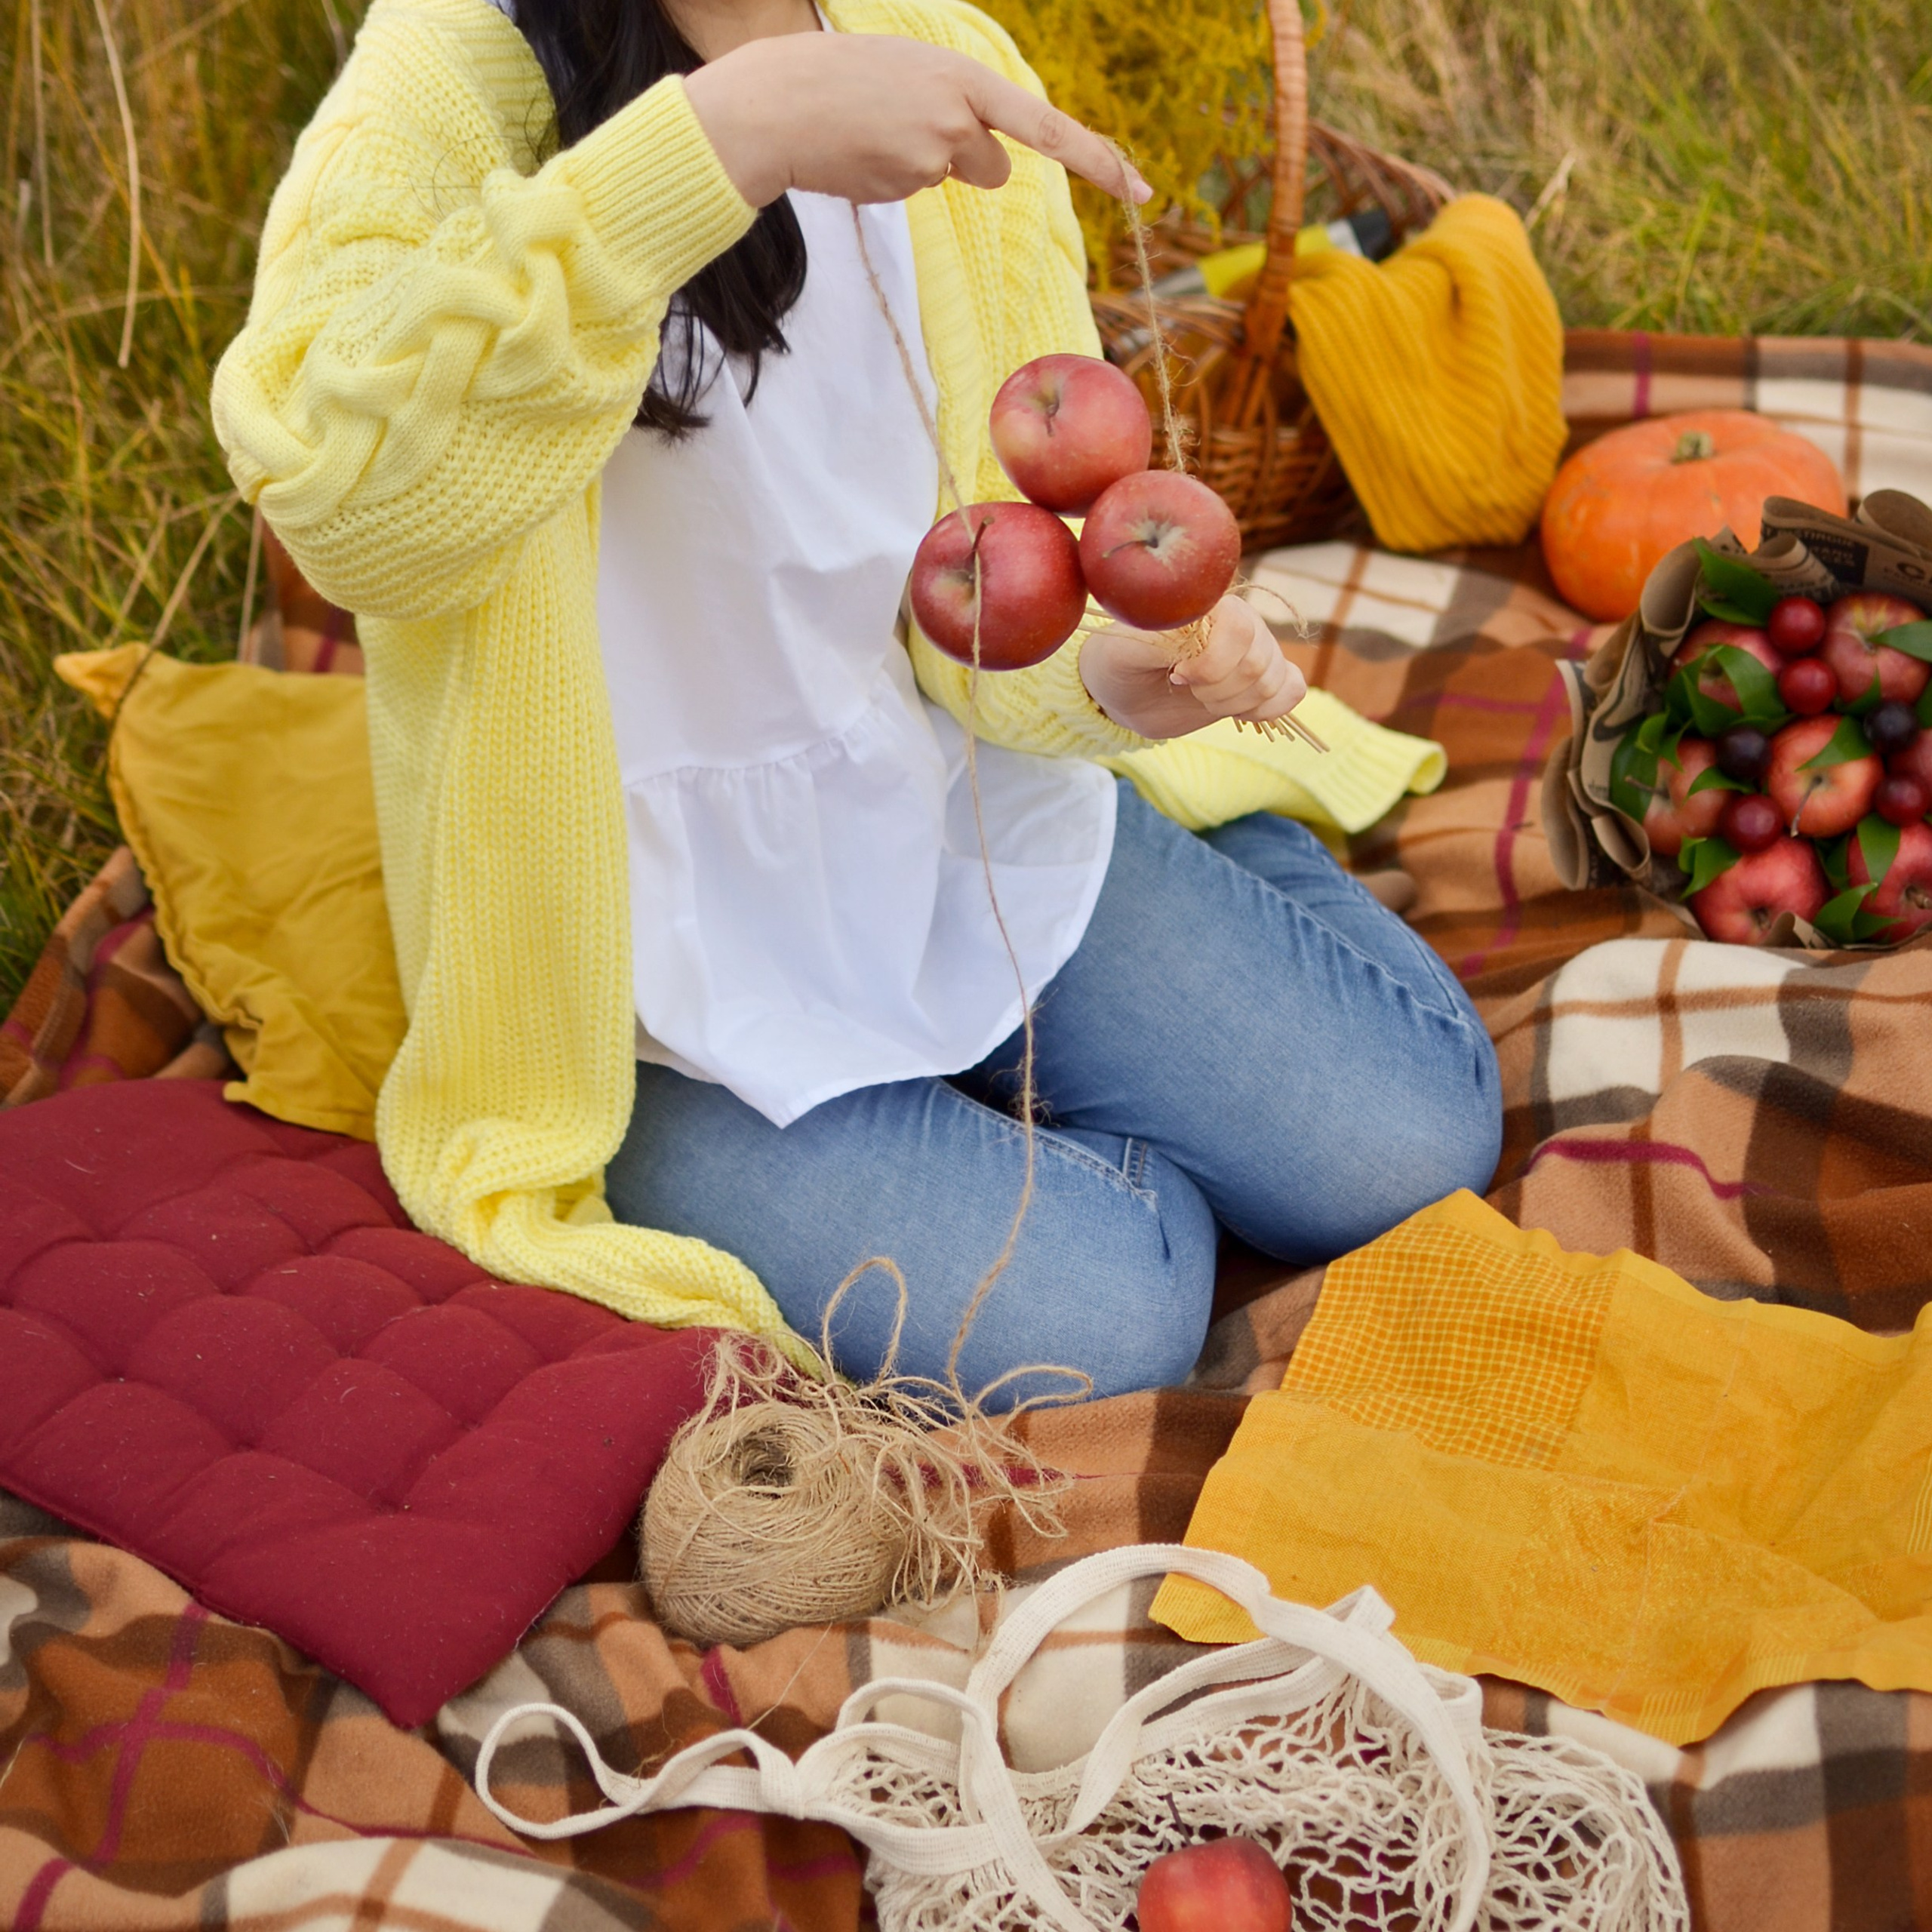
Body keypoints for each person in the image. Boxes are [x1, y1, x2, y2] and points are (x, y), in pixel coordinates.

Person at [214, 0, 1502, 1407]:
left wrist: (1106, 676)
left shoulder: (944, 55)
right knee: (1109, 1323)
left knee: (1407, 1146)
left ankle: (1221, 857)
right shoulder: (455, 65)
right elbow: (345, 507)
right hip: (657, 976)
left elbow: (989, 579)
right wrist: (729, 135)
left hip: (947, 822)